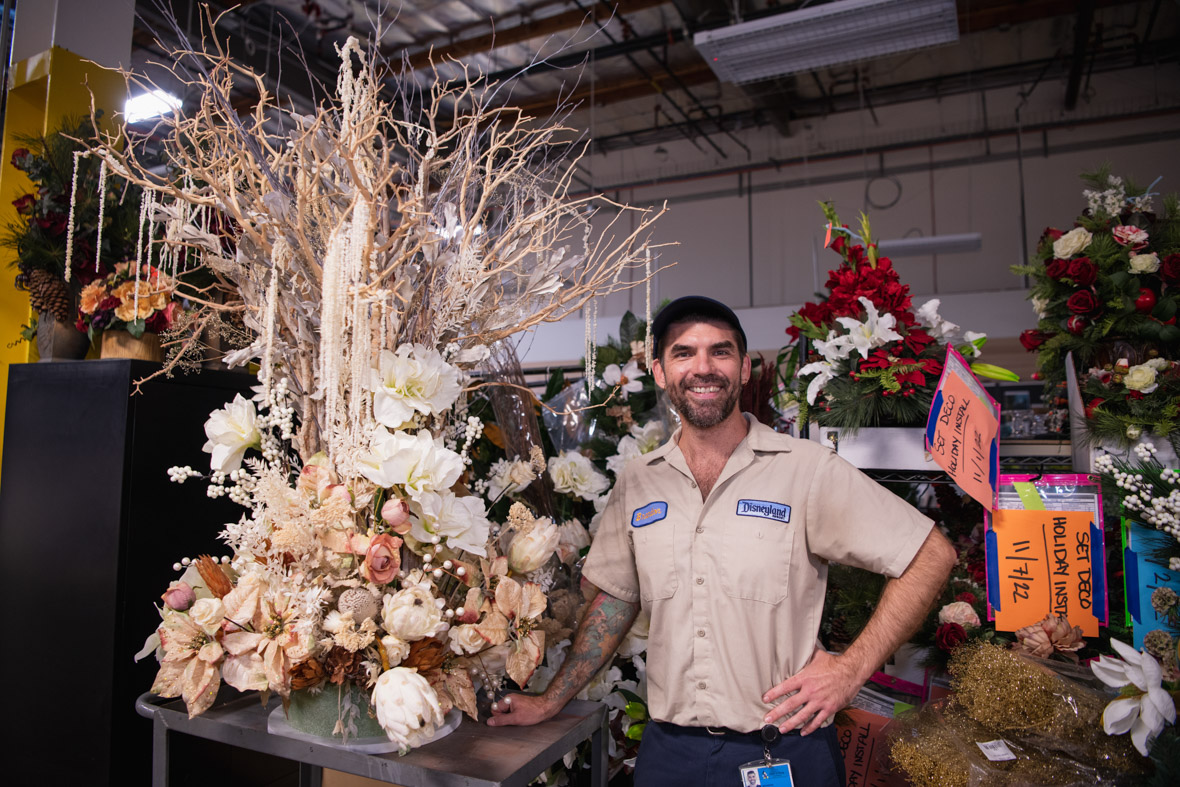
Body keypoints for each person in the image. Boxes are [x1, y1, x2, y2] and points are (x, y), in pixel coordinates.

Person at [489, 296, 957, 786]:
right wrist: (550, 700)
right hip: (669, 755)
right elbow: (614, 601)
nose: (703, 367)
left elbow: (929, 556)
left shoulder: (805, 470)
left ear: (745, 368)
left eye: (721, 351)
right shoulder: (639, 482)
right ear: (661, 371)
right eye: (684, 353)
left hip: (785, 749)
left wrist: (851, 670)